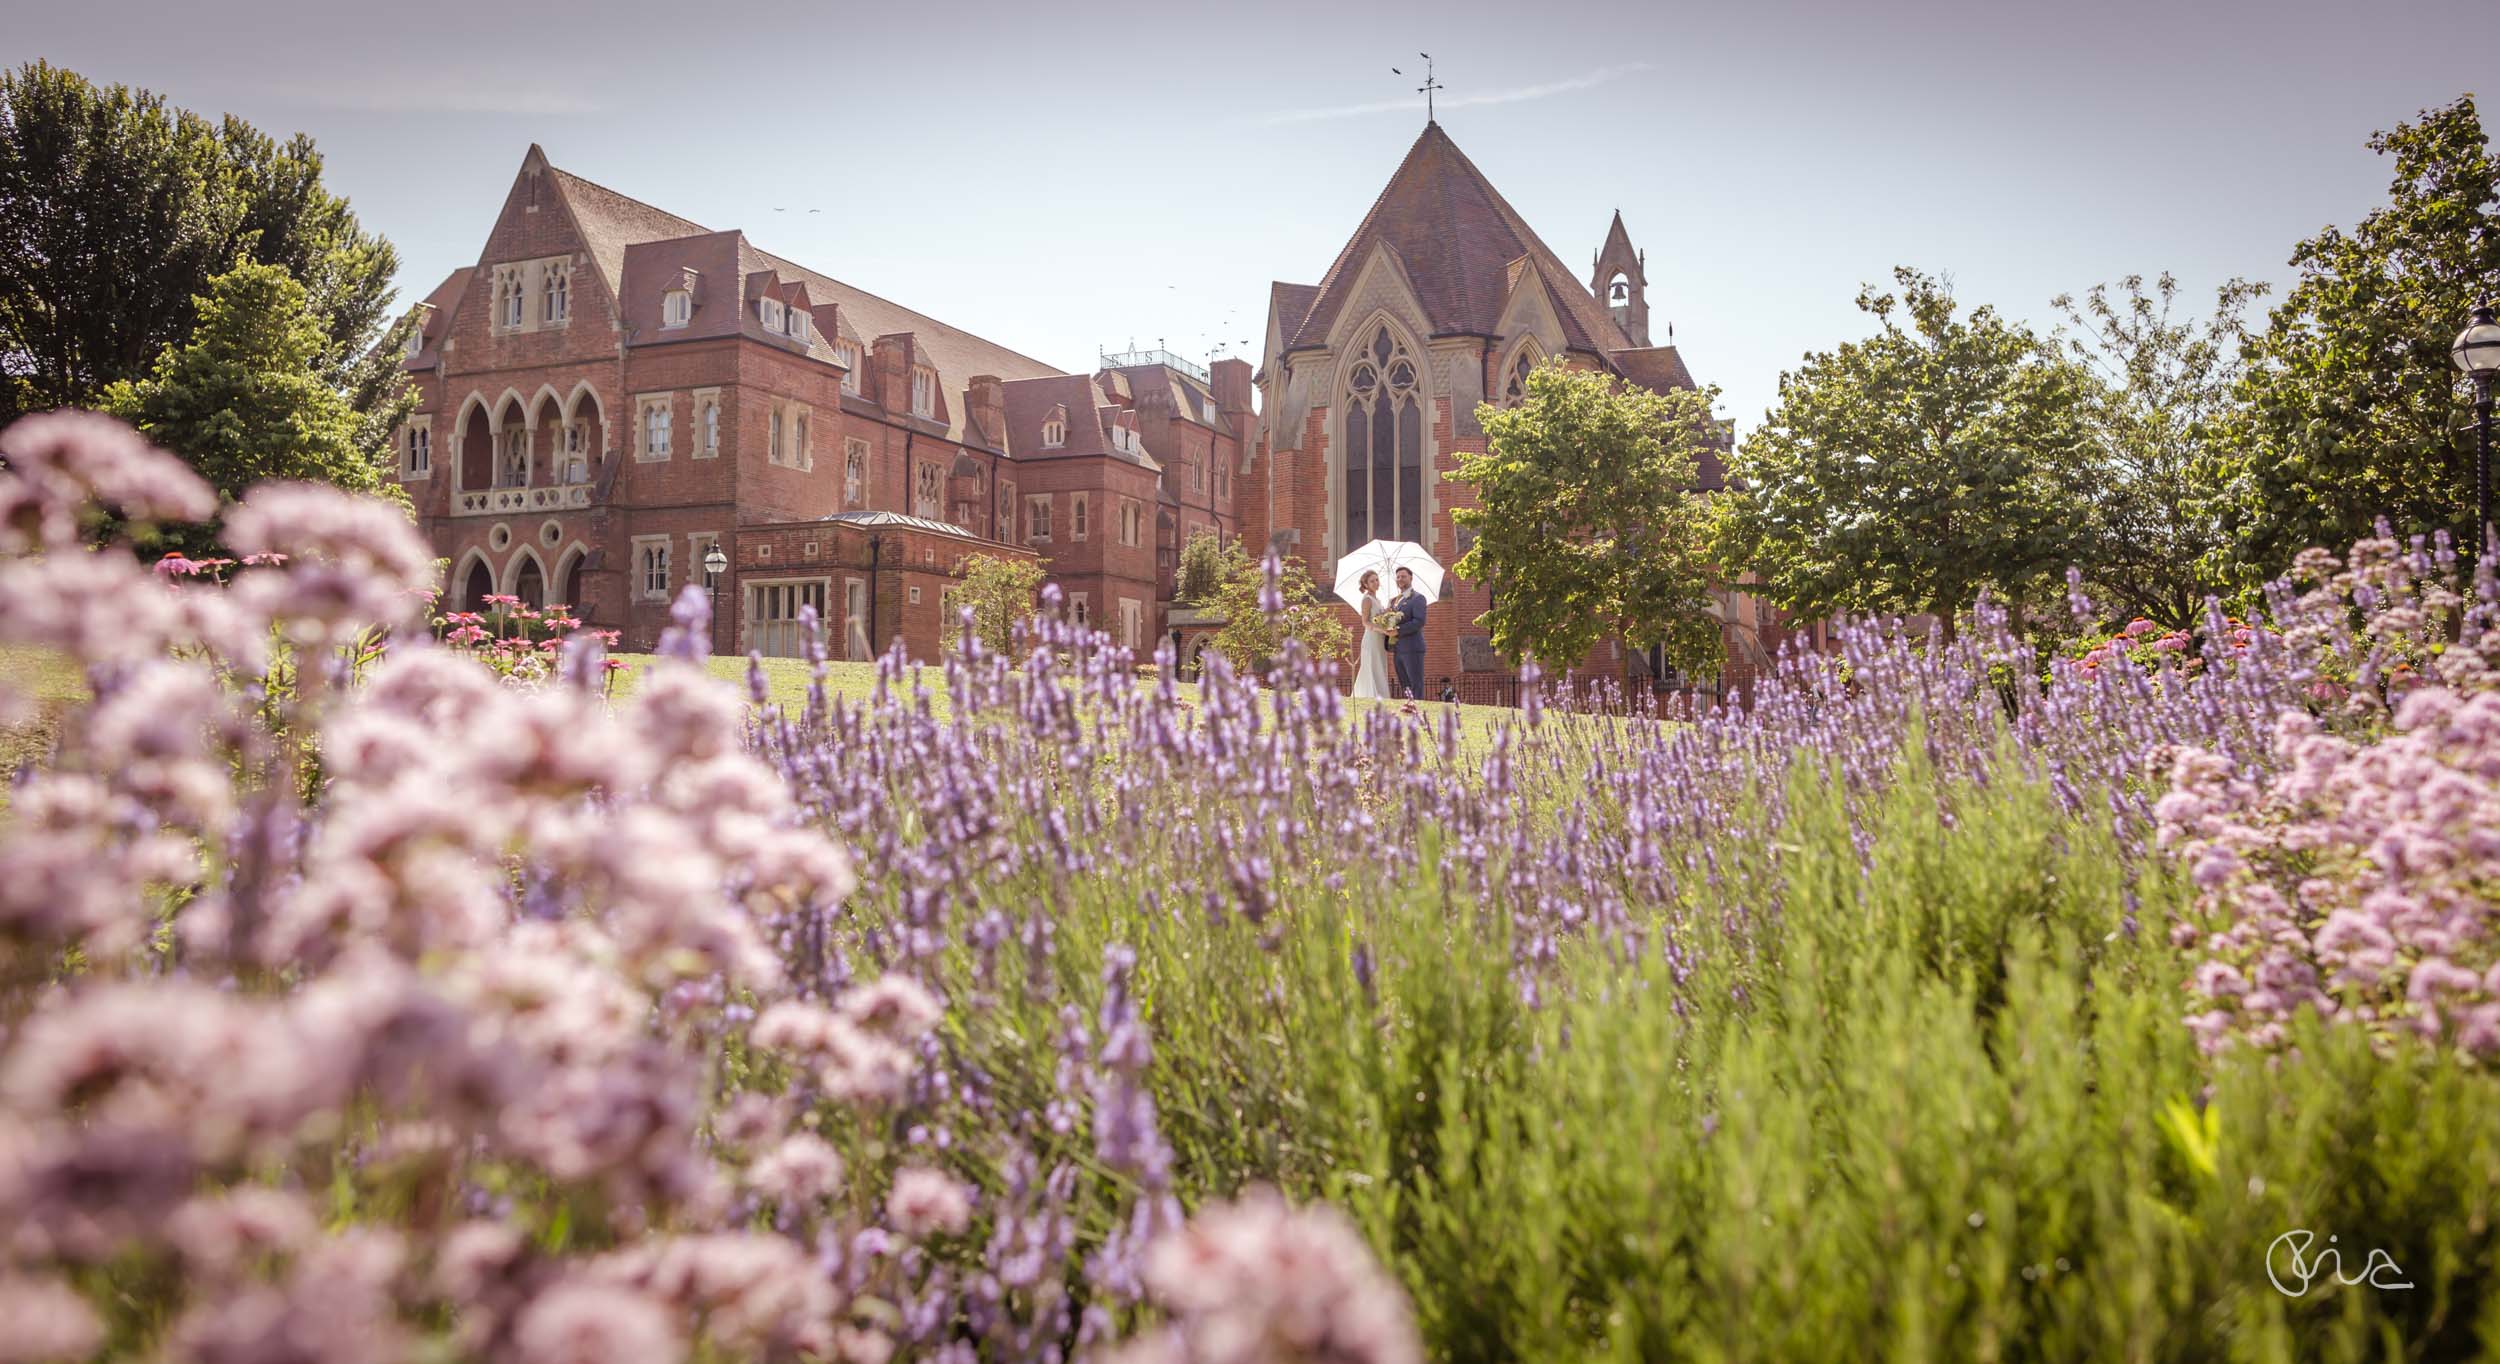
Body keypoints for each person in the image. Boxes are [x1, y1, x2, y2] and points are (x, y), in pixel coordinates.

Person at [1350, 569, 1392, 700]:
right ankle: (1371, 695)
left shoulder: (1378, 599)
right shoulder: (1367, 599)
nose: (1375, 583)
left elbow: (1378, 618)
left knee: (1380, 665)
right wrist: (1382, 630)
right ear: (1366, 584)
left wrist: (1388, 614)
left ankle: (1381, 694)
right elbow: (1365, 622)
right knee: (1372, 666)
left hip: (1380, 639)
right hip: (1372, 638)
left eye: (1377, 580)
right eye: (1372, 581)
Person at [1390, 566, 1427, 700]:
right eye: (1398, 577)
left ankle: (1418, 713)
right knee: (1404, 684)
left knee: (1415, 684)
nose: (1400, 579)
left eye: (1403, 576)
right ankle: (1409, 707)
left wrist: (1397, 630)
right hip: (1398, 649)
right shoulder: (1394, 601)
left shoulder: (1418, 598)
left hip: (1412, 648)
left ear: (1411, 578)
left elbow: (1419, 622)